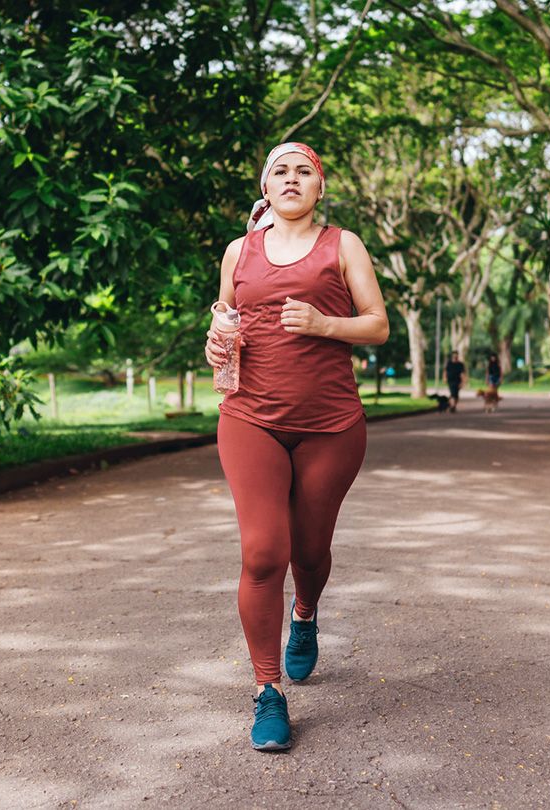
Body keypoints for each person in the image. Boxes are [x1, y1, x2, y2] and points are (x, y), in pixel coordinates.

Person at [204, 142, 390, 751]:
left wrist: (324, 324)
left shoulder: (345, 245)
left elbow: (378, 325)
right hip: (249, 417)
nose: (291, 179)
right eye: (279, 171)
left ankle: (304, 615)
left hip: (330, 425)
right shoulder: (239, 251)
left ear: (319, 188)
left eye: (303, 171)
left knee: (309, 552)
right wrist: (215, 345)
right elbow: (225, 326)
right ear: (266, 186)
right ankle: (267, 691)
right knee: (263, 553)